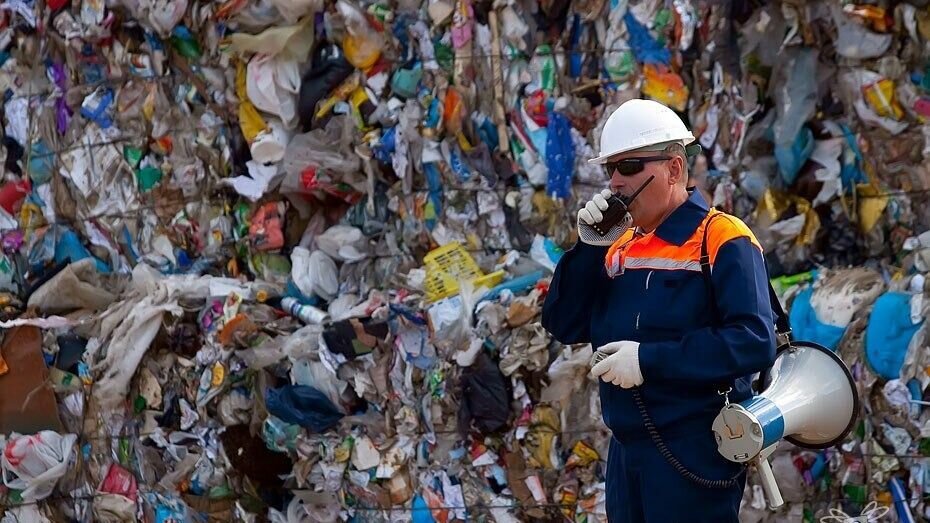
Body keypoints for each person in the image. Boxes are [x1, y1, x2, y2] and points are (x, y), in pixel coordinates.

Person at [540, 99, 778, 522]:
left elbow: (754, 341)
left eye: (629, 167)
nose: (615, 182)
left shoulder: (721, 238)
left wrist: (648, 360)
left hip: (695, 451)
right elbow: (563, 323)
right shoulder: (618, 242)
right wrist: (587, 251)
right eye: (610, 169)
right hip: (628, 450)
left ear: (673, 168)